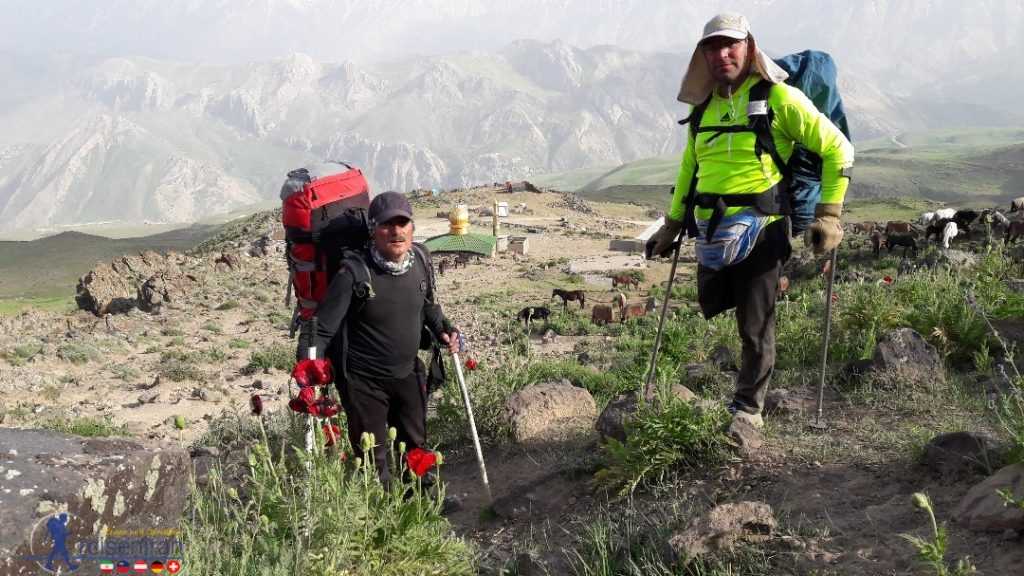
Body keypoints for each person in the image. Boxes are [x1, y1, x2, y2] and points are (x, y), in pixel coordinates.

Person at [646, 13, 854, 427]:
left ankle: (748, 409)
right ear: (702, 55)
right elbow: (691, 165)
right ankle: (739, 396)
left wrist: (829, 216)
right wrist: (671, 224)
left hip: (762, 226)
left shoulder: (780, 99)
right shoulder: (704, 108)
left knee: (755, 324)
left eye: (731, 45)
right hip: (711, 230)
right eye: (712, 47)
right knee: (721, 308)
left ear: (749, 48)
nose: (722, 54)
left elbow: (837, 148)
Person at [308, 191, 459, 483]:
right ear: (373, 229)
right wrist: (309, 369)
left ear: (412, 227)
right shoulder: (354, 273)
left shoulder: (421, 261)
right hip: (363, 383)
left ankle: (421, 508)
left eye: (403, 223)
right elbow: (321, 328)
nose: (396, 231)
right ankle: (382, 518)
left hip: (407, 374)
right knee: (372, 458)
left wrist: (444, 327)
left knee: (416, 447)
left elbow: (427, 305)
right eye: (387, 225)